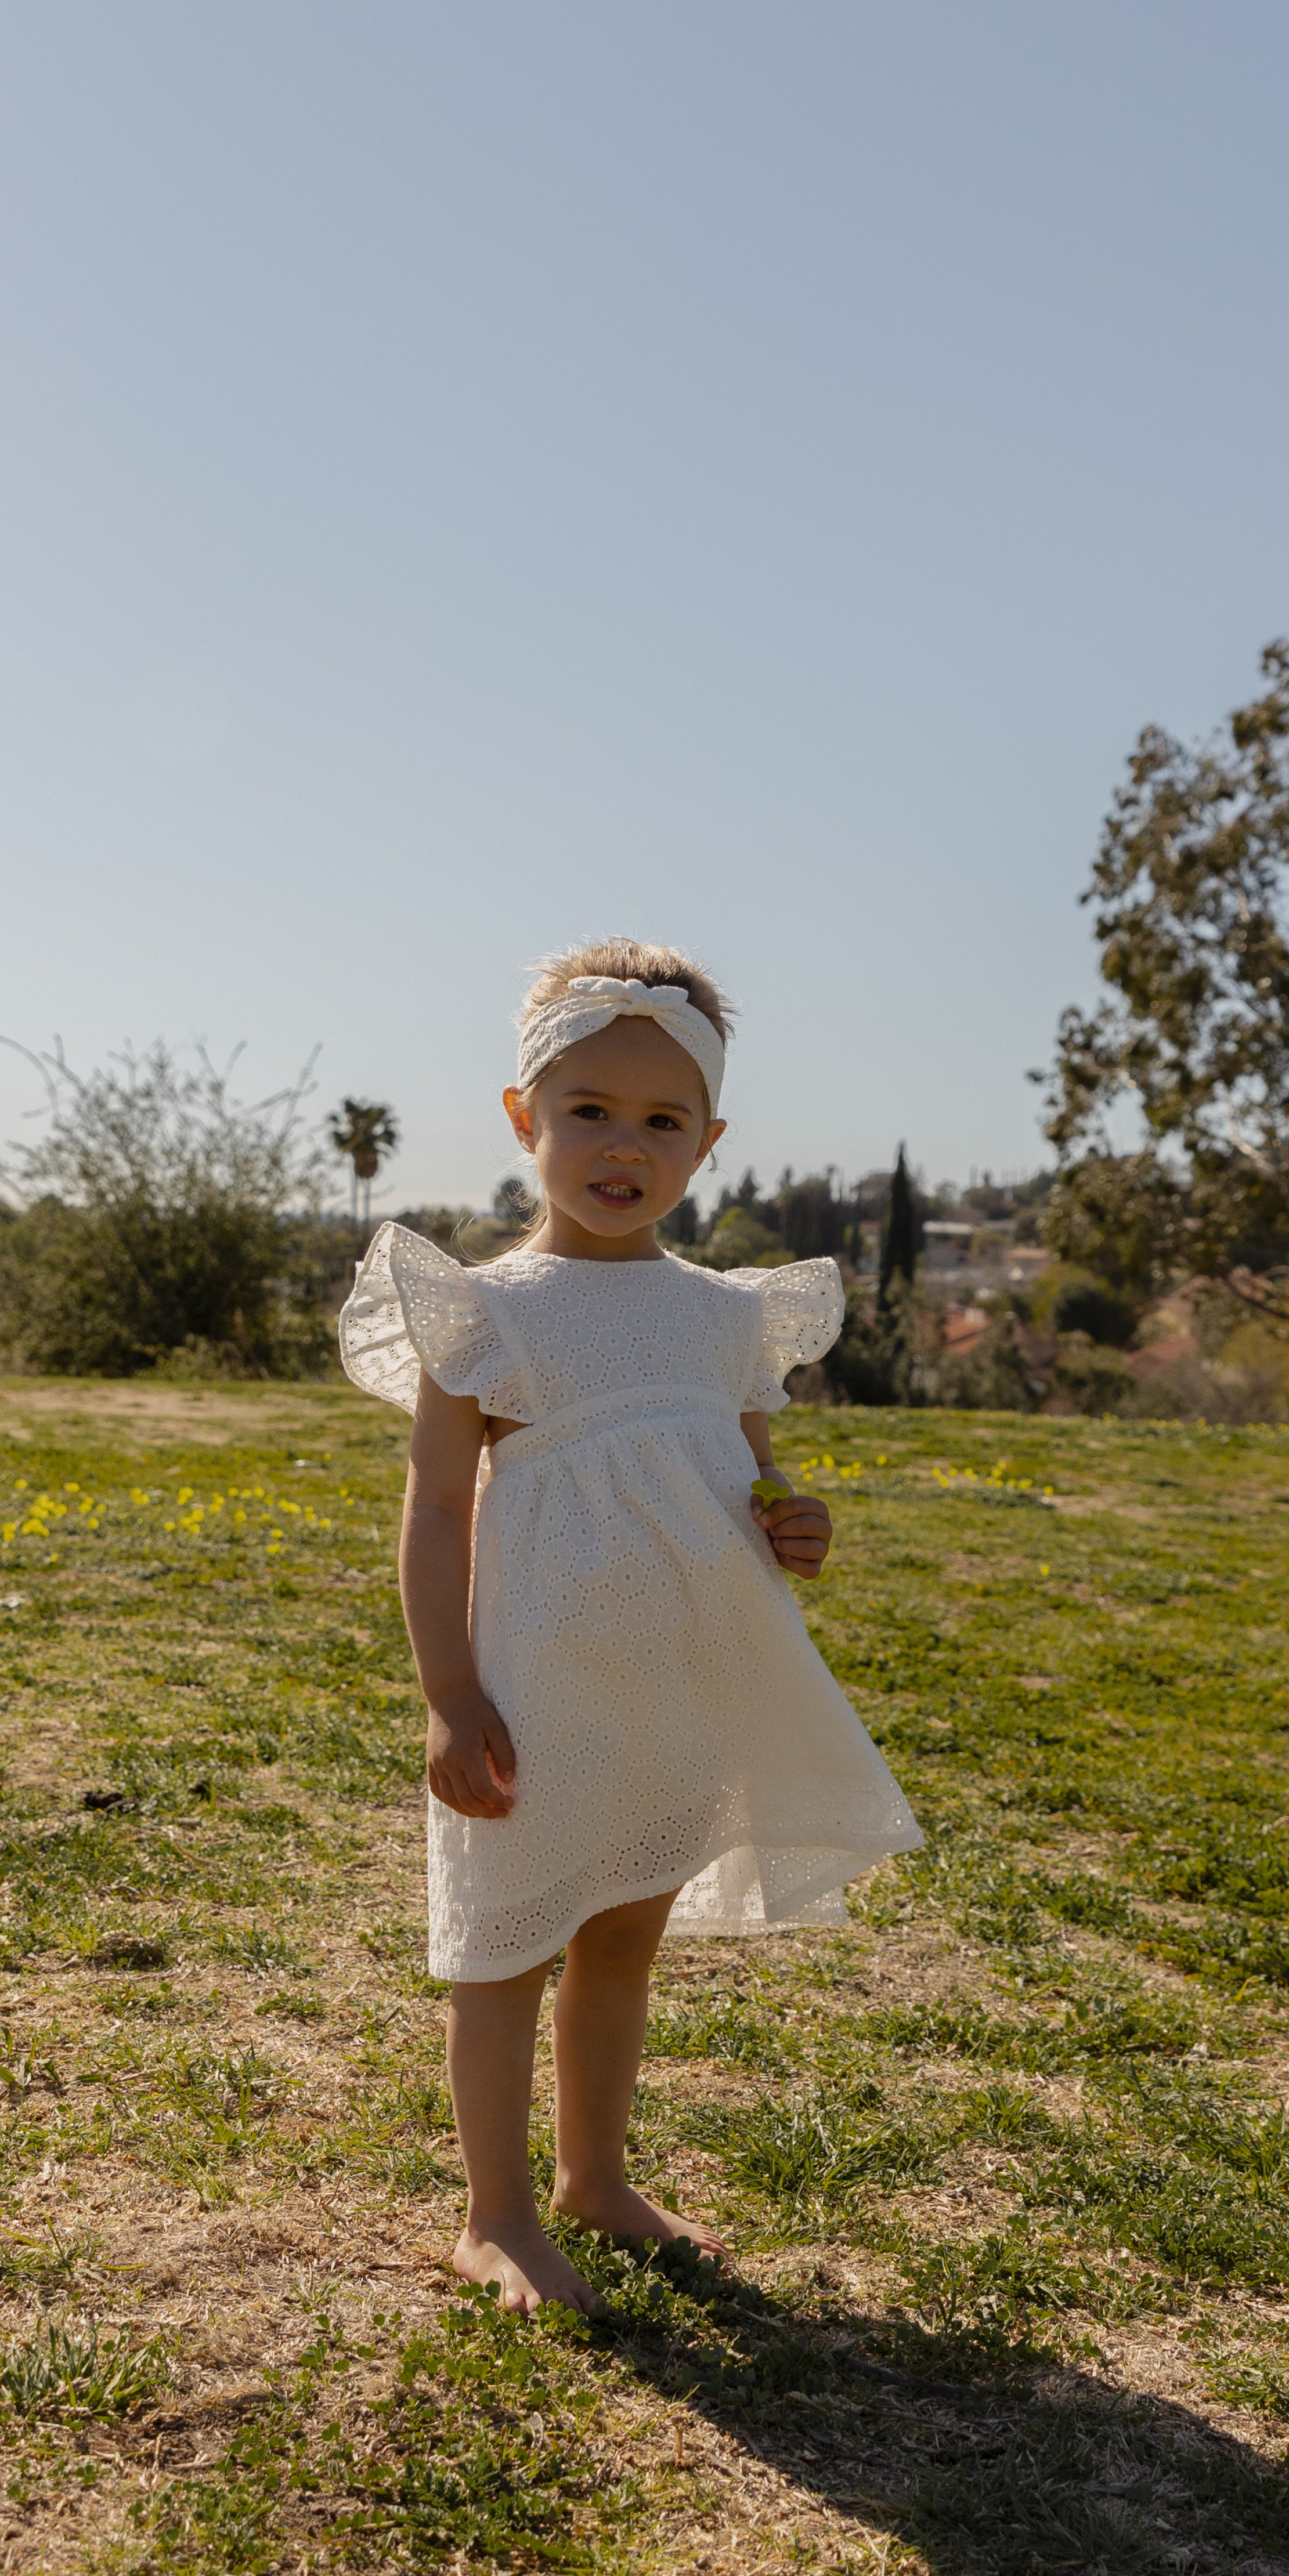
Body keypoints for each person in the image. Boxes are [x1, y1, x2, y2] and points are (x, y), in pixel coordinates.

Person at [339, 939, 922, 2311]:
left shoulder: (725, 1314)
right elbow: (434, 1512)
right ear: (523, 1116)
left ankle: (593, 2178)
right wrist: (447, 1693)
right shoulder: (480, 1310)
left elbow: (756, 1476)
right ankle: (492, 2216)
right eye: (589, 1108)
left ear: (707, 1141)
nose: (622, 1145)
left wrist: (800, 1523)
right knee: (506, 1945)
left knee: (621, 1934)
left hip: (676, 1680)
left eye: (662, 1121)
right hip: (538, 1687)